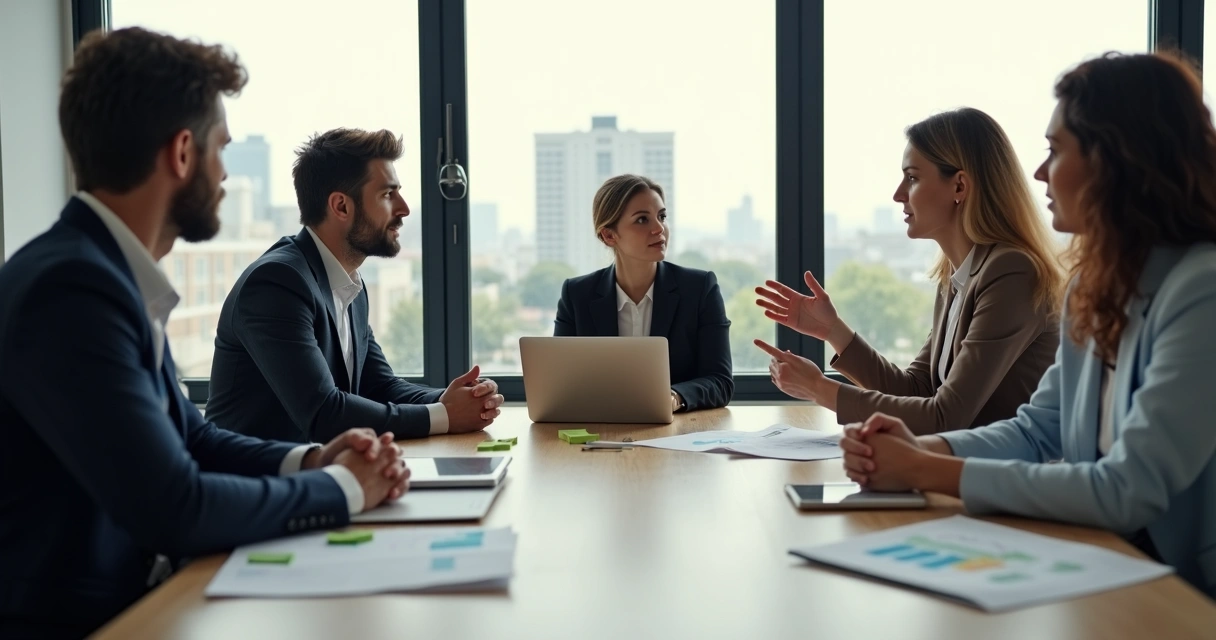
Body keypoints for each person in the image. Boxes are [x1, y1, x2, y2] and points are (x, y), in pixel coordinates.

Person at [0, 28, 409, 637]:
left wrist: (314, 459)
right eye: (221, 148)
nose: (224, 172)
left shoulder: (103, 272)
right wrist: (342, 489)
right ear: (182, 152)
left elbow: (196, 439)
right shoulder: (71, 289)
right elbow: (175, 506)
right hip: (87, 621)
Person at [840, 52, 1216, 599]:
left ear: (1117, 161)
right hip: (1107, 564)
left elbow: (1129, 489)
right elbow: (1038, 430)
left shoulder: (1202, 289)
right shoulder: (1093, 287)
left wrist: (926, 471)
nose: (1040, 172)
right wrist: (930, 452)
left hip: (1187, 591)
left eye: (1055, 150)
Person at [755, 108, 1063, 434]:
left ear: (959, 187)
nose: (898, 194)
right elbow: (917, 390)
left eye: (912, 178)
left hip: (1000, 479)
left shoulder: (1011, 273)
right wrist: (834, 331)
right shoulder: (957, 278)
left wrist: (819, 389)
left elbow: (945, 416)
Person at [206, 128, 505, 443]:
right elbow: (324, 413)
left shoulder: (348, 286)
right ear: (341, 207)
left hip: (318, 475)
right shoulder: (277, 283)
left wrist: (454, 400)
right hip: (253, 483)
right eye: (388, 195)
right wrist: (445, 416)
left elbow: (380, 387)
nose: (403, 208)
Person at [554, 174, 733, 412]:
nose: (659, 229)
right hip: (601, 429)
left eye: (662, 217)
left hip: (678, 434)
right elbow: (558, 384)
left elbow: (720, 382)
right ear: (609, 235)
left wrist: (674, 397)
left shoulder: (700, 289)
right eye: (642, 220)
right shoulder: (577, 295)